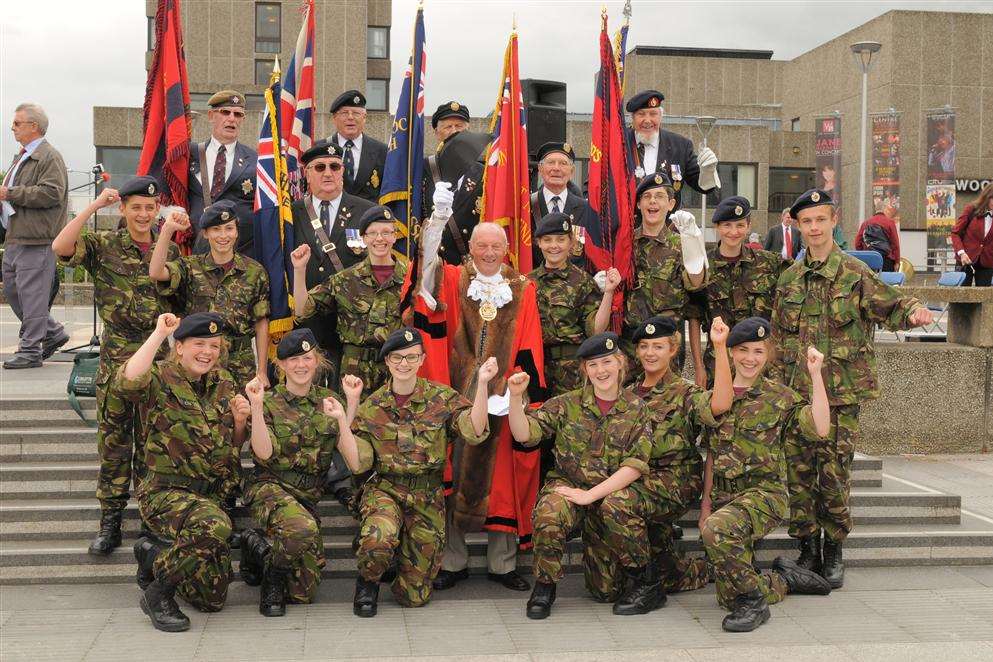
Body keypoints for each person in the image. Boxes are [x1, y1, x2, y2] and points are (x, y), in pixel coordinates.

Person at [771, 189, 933, 589]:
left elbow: (892, 304)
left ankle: (834, 550)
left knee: (834, 472)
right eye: (806, 221)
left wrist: (914, 312)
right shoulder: (789, 279)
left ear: (833, 221)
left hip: (841, 394)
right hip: (798, 395)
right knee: (800, 472)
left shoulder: (854, 273)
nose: (814, 228)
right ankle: (807, 547)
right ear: (798, 225)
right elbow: (777, 339)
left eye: (820, 220)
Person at [406, 185, 546, 593]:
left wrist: (515, 393)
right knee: (453, 469)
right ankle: (453, 560)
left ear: (505, 249)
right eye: (481, 245)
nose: (488, 253)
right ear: (470, 246)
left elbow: (530, 342)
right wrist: (435, 223)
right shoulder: (454, 279)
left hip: (502, 400)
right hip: (457, 397)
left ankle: (503, 564)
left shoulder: (524, 289)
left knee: (503, 478)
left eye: (495, 246)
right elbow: (425, 278)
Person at [52, 177, 180, 556]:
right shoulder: (104, 244)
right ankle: (110, 521)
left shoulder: (167, 249)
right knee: (115, 441)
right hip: (118, 355)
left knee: (154, 440)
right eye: (136, 207)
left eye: (149, 207)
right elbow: (61, 246)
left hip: (157, 356)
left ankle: (149, 519)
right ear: (122, 209)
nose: (143, 214)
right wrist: (93, 208)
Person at [335, 327, 493, 616]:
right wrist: (351, 405)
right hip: (385, 490)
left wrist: (482, 385)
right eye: (397, 358)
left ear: (422, 360)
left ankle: (396, 563)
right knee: (379, 536)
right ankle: (368, 579)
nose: (404, 364)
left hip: (426, 495)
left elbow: (475, 429)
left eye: (411, 357)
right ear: (387, 362)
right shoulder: (373, 407)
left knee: (414, 597)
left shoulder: (442, 398)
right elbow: (357, 461)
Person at [506, 332, 660, 619]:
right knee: (550, 510)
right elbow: (525, 434)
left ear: (620, 364)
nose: (601, 371)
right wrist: (516, 400)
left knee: (605, 592)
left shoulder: (637, 409)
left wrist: (591, 495)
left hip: (610, 495)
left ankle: (645, 581)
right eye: (593, 365)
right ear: (585, 371)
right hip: (568, 486)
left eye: (606, 362)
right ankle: (544, 587)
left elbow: (634, 466)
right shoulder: (566, 404)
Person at [697, 317, 833, 632]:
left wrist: (816, 376)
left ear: (767, 354)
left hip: (763, 495)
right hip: (724, 497)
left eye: (758, 351)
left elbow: (821, 428)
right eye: (742, 350)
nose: (750, 358)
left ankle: (755, 606)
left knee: (718, 531)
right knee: (726, 595)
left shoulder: (780, 397)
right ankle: (781, 579)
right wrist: (705, 505)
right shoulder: (716, 394)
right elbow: (712, 455)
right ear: (730, 353)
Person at [121, 312, 247, 632]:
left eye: (214, 346)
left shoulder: (224, 382)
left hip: (208, 494)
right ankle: (159, 593)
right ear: (179, 347)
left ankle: (152, 557)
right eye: (199, 344)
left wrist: (242, 421)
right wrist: (159, 333)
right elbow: (128, 380)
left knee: (212, 599)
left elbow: (231, 443)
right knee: (215, 526)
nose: (207, 352)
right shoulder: (160, 377)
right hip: (165, 491)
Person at [238, 328, 358, 617]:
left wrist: (350, 404)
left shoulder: (329, 401)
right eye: (293, 360)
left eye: (306, 358)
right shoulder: (267, 402)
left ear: (317, 360)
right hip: (270, 487)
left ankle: (256, 546)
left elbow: (350, 456)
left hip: (307, 496)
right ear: (280, 365)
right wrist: (255, 406)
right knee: (302, 528)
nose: (301, 365)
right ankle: (272, 578)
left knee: (304, 592)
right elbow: (263, 454)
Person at [629, 315, 730, 595]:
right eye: (644, 346)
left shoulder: (685, 392)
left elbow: (720, 404)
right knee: (604, 588)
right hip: (635, 482)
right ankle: (673, 567)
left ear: (673, 350)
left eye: (658, 346)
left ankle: (649, 586)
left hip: (675, 481)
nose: (650, 353)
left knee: (620, 502)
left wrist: (720, 349)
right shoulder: (626, 394)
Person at [149, 200, 270, 389]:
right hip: (198, 361)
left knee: (239, 415)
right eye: (216, 229)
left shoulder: (255, 271)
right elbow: (156, 272)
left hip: (239, 364)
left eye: (229, 228)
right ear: (205, 234)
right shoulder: (189, 267)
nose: (223, 236)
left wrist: (261, 370)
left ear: (237, 231)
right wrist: (167, 230)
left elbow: (261, 322)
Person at [292, 205, 408, 393]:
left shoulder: (410, 279)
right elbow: (302, 310)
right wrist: (299, 270)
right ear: (364, 238)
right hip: (353, 374)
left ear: (395, 236)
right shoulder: (345, 280)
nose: (380, 238)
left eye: (386, 232)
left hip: (397, 370)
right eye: (373, 233)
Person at [1, 102, 69, 369]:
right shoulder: (22, 156)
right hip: (16, 236)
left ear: (34, 126)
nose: (13, 128)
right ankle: (52, 332)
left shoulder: (49, 156)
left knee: (32, 297)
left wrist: (10, 193)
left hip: (38, 239)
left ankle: (30, 350)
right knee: (15, 292)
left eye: (18, 123)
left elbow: (52, 193)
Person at [623, 173, 708, 370]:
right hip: (630, 346)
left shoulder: (682, 244)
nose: (653, 201)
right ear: (638, 205)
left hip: (668, 346)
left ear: (671, 204)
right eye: (646, 196)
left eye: (659, 196)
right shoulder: (624, 245)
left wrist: (693, 245)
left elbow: (696, 285)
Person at [695, 196, 783, 386]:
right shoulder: (703, 266)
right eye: (727, 225)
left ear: (749, 226)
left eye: (740, 225)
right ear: (717, 227)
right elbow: (693, 317)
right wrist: (698, 367)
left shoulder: (770, 263)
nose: (734, 232)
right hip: (718, 363)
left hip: (759, 364)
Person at [529, 212, 618, 397]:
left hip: (572, 373)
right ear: (538, 243)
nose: (554, 246)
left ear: (571, 243)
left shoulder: (583, 281)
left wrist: (609, 292)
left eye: (560, 240)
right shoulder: (527, 283)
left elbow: (595, 331)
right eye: (547, 240)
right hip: (535, 370)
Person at [291, 139, 374, 299]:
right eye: (320, 167)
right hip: (306, 309)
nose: (328, 173)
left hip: (351, 310)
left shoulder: (367, 211)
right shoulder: (292, 213)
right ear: (307, 174)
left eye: (334, 167)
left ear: (342, 171)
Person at [188, 90, 258, 257]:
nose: (232, 118)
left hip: (240, 255)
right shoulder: (190, 154)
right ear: (211, 115)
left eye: (238, 114)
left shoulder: (255, 160)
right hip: (197, 250)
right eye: (225, 112)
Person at [624, 90, 720, 206]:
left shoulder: (681, 146)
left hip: (666, 223)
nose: (647, 120)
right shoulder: (620, 144)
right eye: (641, 114)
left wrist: (708, 172)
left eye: (653, 114)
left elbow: (702, 187)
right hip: (628, 223)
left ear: (661, 117)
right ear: (632, 118)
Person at [529, 142, 599, 267]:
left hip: (575, 283)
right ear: (540, 169)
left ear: (572, 171)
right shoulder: (527, 206)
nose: (556, 168)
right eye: (551, 163)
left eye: (563, 163)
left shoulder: (586, 209)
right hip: (535, 282)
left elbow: (592, 253)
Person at [328, 90, 387, 204]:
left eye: (356, 113)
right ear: (335, 118)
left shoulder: (382, 151)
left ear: (364, 118)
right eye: (344, 113)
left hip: (369, 218)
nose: (350, 117)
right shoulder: (320, 148)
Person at [422, 100, 472, 221]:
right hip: (436, 238)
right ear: (437, 133)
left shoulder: (483, 170)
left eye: (459, 126)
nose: (454, 131)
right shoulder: (424, 168)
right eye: (448, 126)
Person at [950, 182, 993, 286]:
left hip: (987, 262)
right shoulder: (971, 209)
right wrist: (962, 253)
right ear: (987, 197)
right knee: (960, 298)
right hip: (965, 260)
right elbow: (955, 233)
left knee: (981, 298)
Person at [855, 202, 901, 272]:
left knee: (870, 281)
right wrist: (897, 262)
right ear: (884, 209)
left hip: (869, 259)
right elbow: (895, 244)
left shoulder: (866, 223)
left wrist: (864, 254)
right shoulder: (890, 223)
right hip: (886, 259)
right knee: (885, 281)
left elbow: (857, 243)